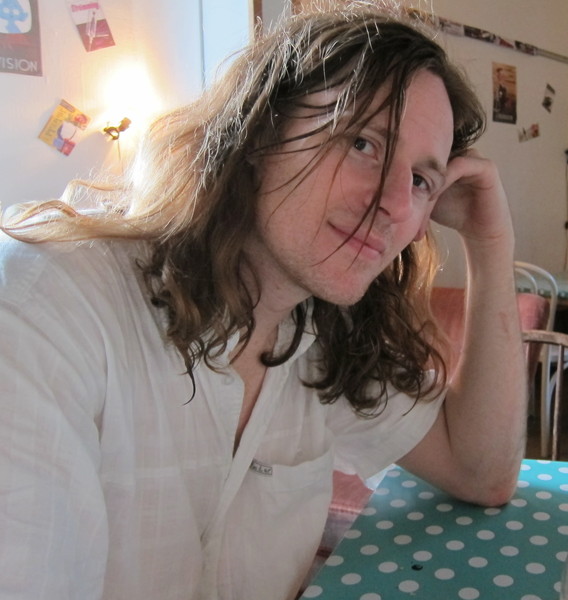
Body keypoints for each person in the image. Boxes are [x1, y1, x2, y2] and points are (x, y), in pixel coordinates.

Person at [0, 5, 528, 600]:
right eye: (363, 143)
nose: (397, 205)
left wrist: (491, 245)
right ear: (257, 132)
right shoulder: (45, 306)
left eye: (421, 181)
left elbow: (481, 473)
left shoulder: (318, 334)